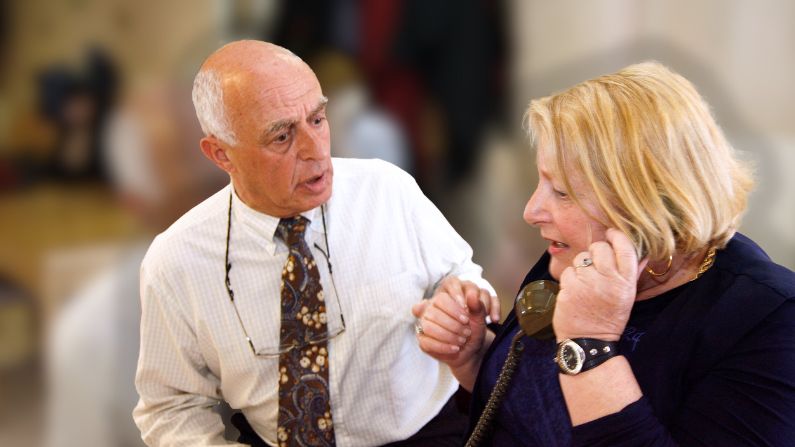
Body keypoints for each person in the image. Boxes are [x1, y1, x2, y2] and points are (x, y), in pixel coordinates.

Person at [133, 40, 498, 447]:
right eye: (282, 137)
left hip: (427, 435)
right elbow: (171, 408)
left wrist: (462, 301)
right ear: (221, 154)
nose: (316, 151)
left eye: (317, 119)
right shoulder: (176, 262)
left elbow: (462, 277)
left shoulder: (387, 190)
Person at [414, 61, 795, 445]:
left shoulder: (767, 319)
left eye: (562, 193)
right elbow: (535, 418)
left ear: (649, 203)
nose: (532, 211)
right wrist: (478, 359)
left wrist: (590, 345)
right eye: (541, 182)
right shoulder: (578, 257)